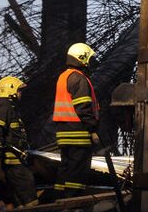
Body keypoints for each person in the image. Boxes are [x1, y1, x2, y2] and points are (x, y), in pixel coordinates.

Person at [53, 42, 100, 198]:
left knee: (65, 168)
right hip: (78, 133)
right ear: (82, 58)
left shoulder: (63, 76)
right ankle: (73, 201)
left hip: (64, 133)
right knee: (77, 171)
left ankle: (58, 200)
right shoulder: (79, 79)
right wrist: (93, 129)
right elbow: (83, 107)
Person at [0, 76, 39, 207]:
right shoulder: (3, 106)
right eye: (19, 90)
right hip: (12, 161)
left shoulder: (11, 108)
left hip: (17, 160)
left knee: (21, 199)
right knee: (29, 192)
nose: (20, 93)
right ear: (10, 90)